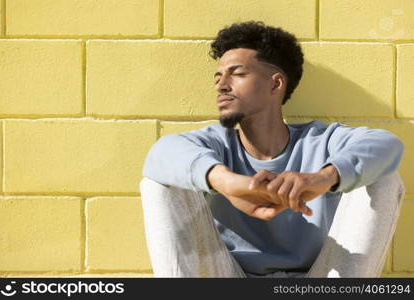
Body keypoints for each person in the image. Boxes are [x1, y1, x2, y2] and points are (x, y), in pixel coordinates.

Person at [141, 21, 405, 278]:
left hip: (320, 280)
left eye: (238, 74)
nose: (221, 85)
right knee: (159, 182)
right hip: (229, 278)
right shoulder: (214, 143)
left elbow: (387, 146)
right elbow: (160, 155)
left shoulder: (323, 140)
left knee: (382, 176)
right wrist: (229, 184)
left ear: (275, 84)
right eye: (218, 77)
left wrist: (322, 179)